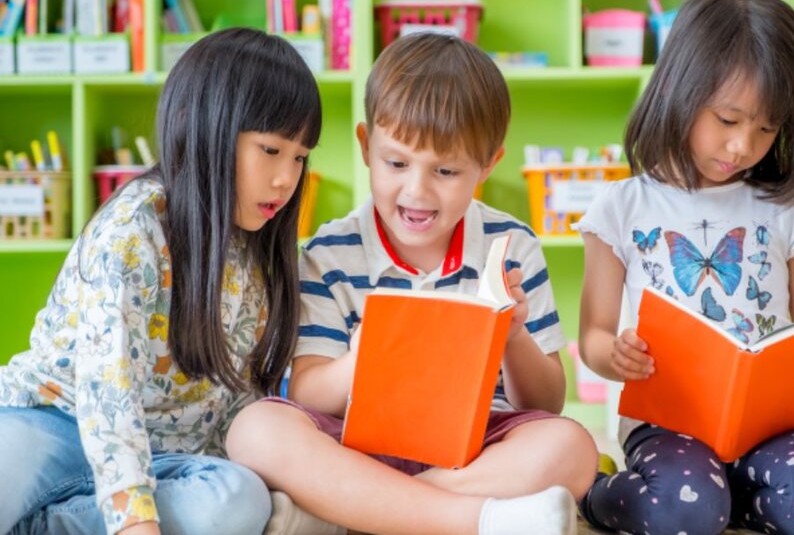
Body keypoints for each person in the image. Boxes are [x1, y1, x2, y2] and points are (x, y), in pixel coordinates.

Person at [226, 32, 598, 535]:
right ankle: (470, 520)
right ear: (365, 145)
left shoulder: (512, 245)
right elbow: (310, 392)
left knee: (572, 447)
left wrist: (514, 336)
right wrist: (362, 361)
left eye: (446, 170)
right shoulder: (327, 253)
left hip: (474, 449)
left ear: (488, 165)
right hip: (354, 445)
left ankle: (354, 514)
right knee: (256, 430)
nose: (417, 191)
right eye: (396, 163)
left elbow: (545, 403)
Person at [575, 0, 794, 535]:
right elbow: (593, 336)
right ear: (679, 91)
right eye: (728, 119)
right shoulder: (621, 206)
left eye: (767, 128)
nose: (743, 147)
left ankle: (726, 500)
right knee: (682, 508)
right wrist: (614, 355)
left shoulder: (791, 211)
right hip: (667, 425)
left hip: (771, 427)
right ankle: (598, 493)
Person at [0, 27, 322, 535]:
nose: (287, 178)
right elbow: (109, 391)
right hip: (53, 422)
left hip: (165, 456)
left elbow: (239, 399)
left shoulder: (261, 253)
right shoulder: (133, 229)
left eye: (300, 156)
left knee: (236, 500)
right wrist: (134, 524)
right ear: (205, 131)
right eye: (270, 150)